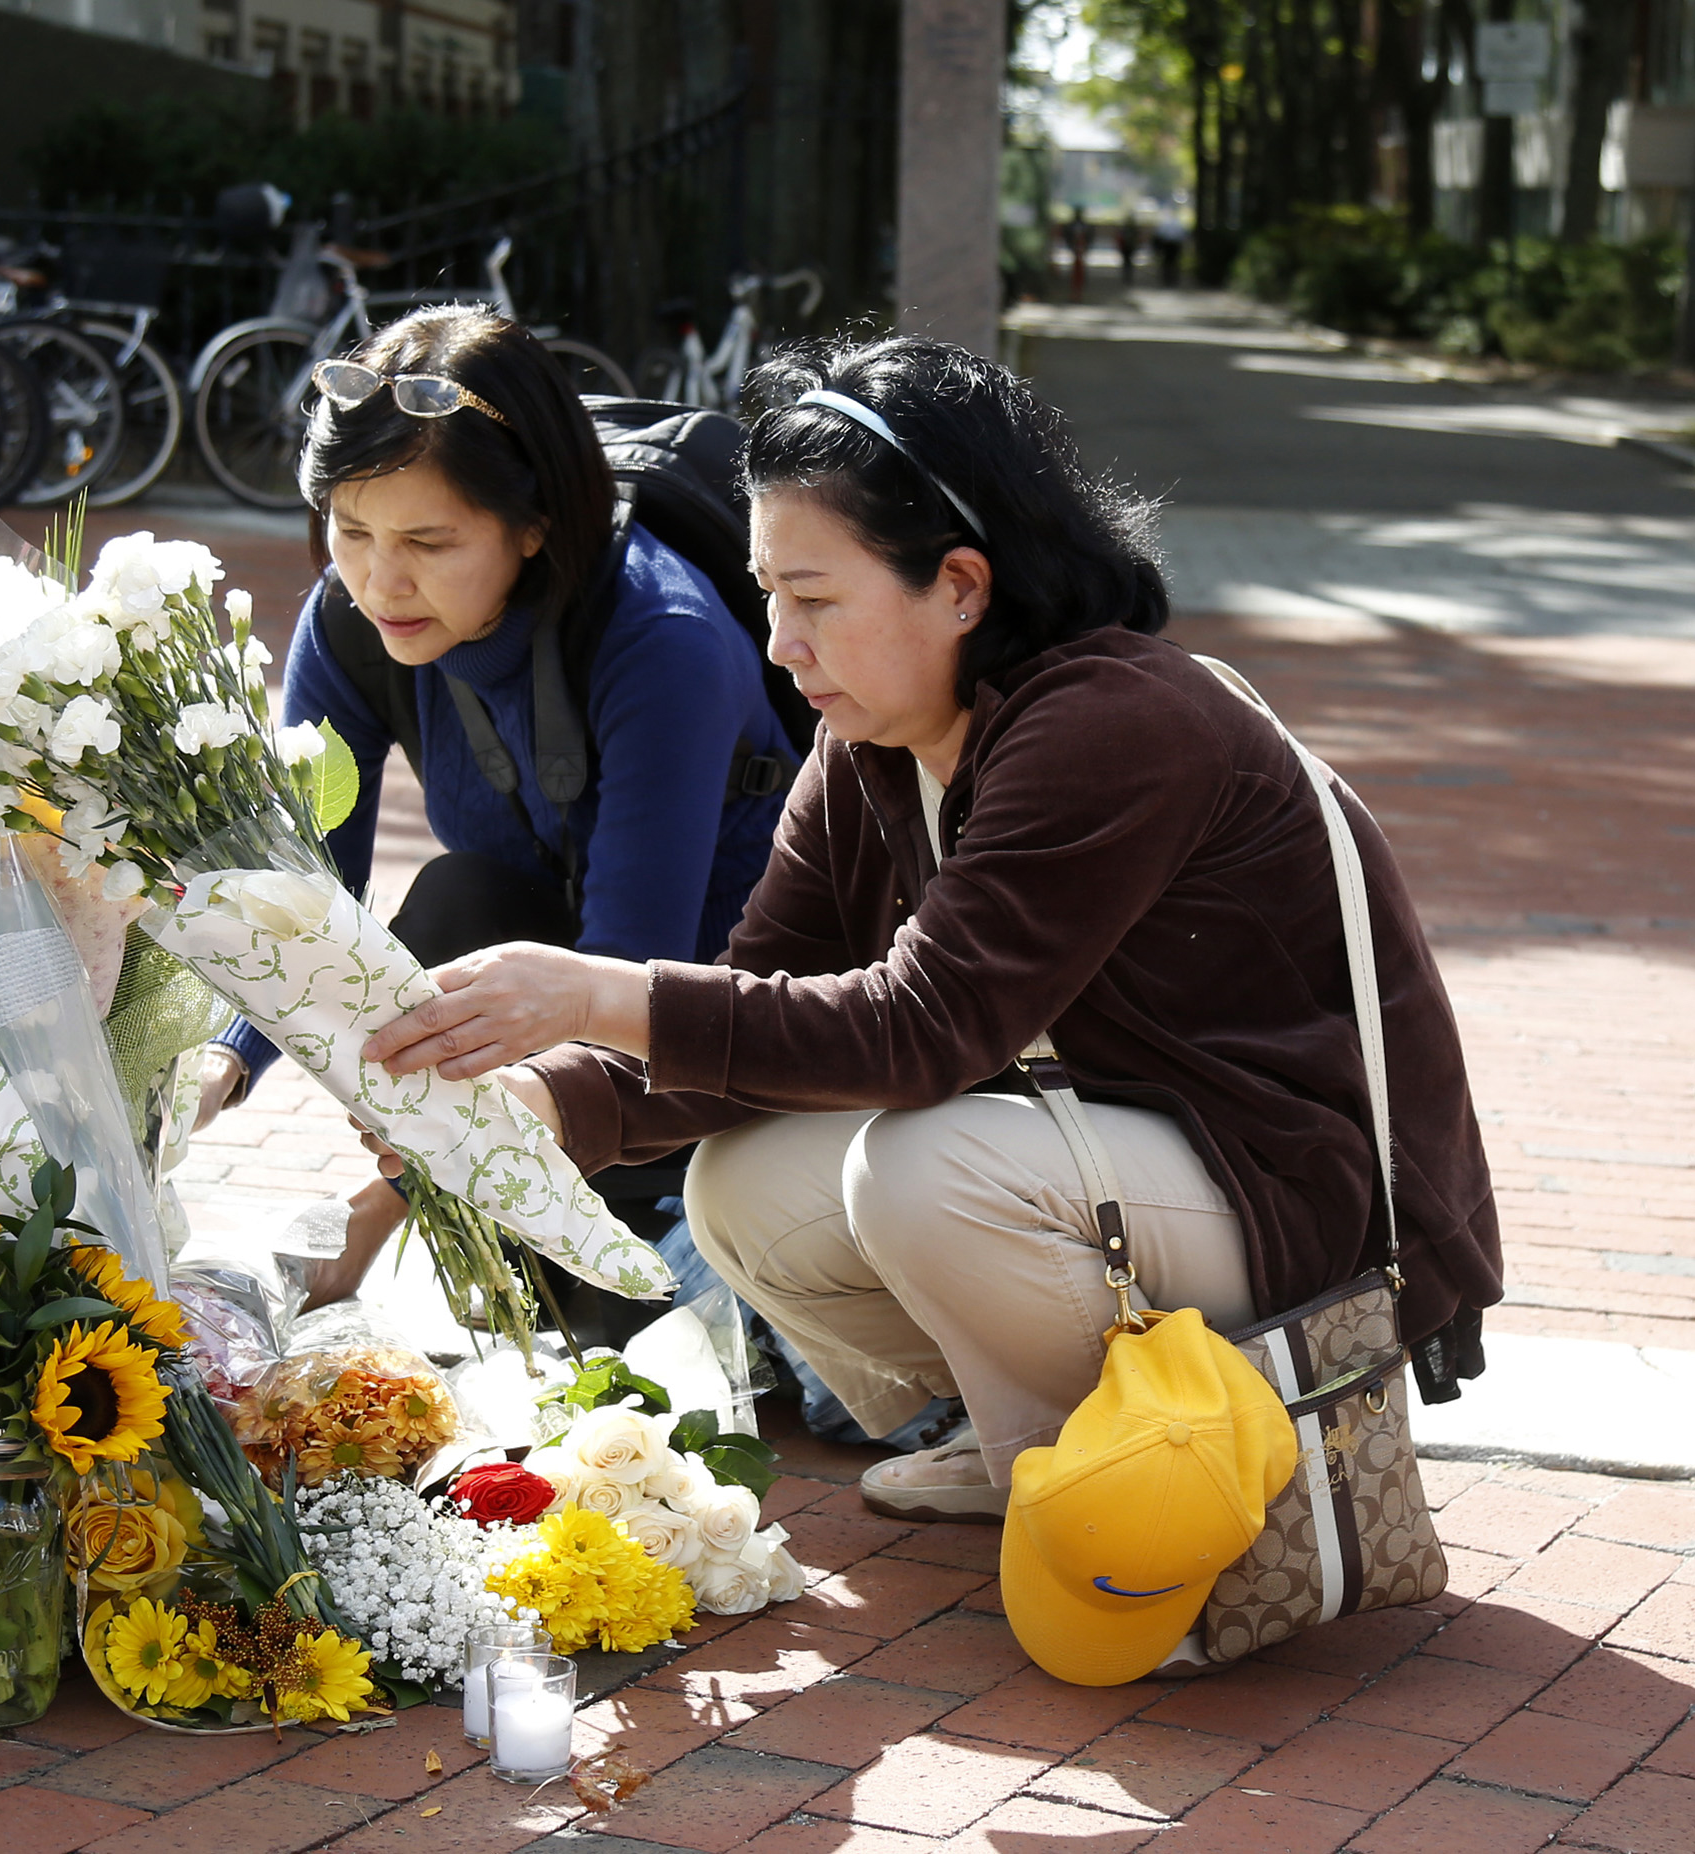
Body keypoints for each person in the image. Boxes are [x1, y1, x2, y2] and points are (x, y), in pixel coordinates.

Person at [355, 333, 1502, 1523]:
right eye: (767, 595)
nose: (778, 645)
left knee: (919, 1169)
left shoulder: (1113, 722)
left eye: (813, 600)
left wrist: (590, 995)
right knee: (741, 1187)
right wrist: (548, 1107)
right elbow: (763, 1010)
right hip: (1138, 1157)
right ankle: (1035, 1427)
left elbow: (920, 1033)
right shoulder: (868, 746)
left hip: (1302, 1196)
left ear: (959, 585)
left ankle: (1131, 1483)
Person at [190, 303, 801, 1307]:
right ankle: (463, 1206)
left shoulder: (662, 640)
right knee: (451, 908)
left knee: (595, 1346)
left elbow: (628, 971)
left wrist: (367, 1217)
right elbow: (299, 886)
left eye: (429, 541)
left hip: (699, 1034)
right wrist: (223, 1057)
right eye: (350, 530)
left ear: (532, 524)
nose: (382, 579)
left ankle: (542, 1225)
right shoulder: (350, 620)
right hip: (545, 1002)